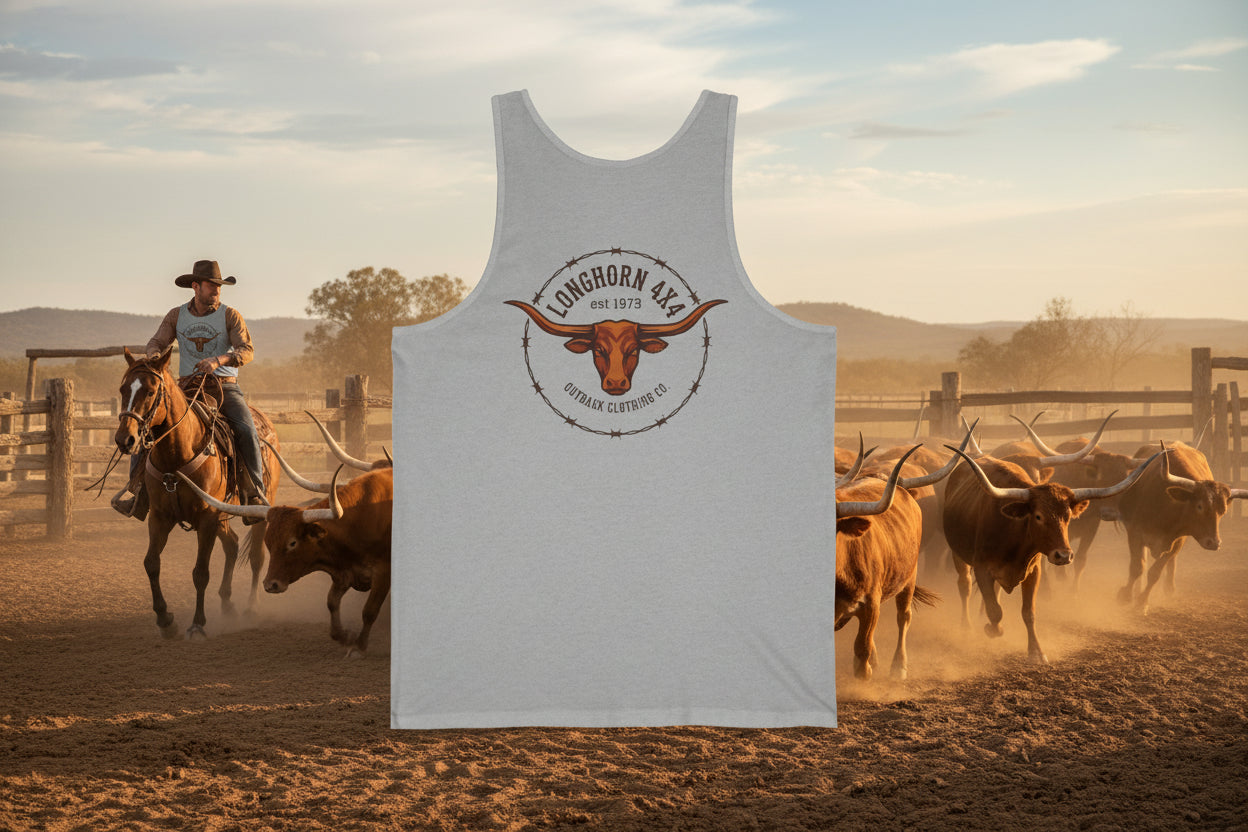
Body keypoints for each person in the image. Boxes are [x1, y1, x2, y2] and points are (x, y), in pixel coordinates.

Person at [113, 260, 267, 520]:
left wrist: (218, 360)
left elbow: (246, 350)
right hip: (186, 386)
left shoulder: (230, 315)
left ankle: (254, 493)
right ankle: (137, 493)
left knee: (245, 429)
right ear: (195, 287)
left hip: (223, 386)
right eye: (211, 285)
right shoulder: (176, 315)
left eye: (219, 286)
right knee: (146, 427)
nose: (217, 290)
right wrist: (152, 354)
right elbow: (158, 340)